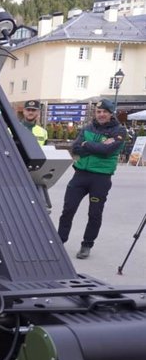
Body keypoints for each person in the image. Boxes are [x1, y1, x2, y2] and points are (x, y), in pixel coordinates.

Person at [57, 98, 125, 259]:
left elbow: (107, 151)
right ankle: (60, 240)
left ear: (110, 114)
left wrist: (87, 145)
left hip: (101, 178)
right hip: (80, 175)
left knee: (94, 213)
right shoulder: (88, 127)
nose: (101, 115)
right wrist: (94, 147)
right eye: (98, 112)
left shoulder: (119, 131)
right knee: (68, 209)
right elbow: (75, 148)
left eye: (105, 112)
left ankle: (86, 245)